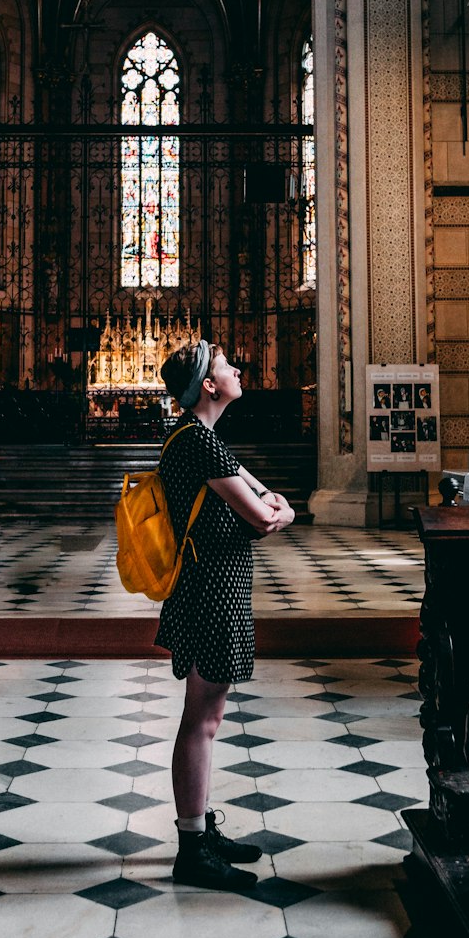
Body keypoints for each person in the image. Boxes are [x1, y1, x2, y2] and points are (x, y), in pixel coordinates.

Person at [156, 339, 295, 891]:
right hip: (210, 592)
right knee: (202, 719)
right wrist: (274, 515)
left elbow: (272, 499)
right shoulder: (198, 442)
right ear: (208, 387)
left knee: (206, 718)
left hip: (216, 589)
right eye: (224, 366)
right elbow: (266, 515)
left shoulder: (205, 440)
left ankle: (199, 832)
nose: (237, 368)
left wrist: (274, 509)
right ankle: (191, 849)